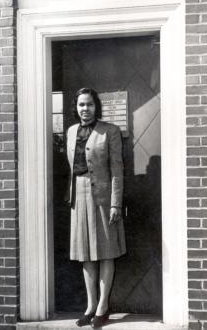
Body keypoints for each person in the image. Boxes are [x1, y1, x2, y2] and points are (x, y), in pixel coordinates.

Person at [65, 87, 126, 328]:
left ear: (96, 106)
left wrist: (115, 203)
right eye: (81, 105)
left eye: (89, 104)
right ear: (76, 107)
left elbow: (117, 169)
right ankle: (90, 306)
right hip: (78, 196)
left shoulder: (110, 131)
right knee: (85, 254)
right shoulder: (70, 132)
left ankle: (103, 306)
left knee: (106, 251)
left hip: (103, 196)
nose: (85, 109)